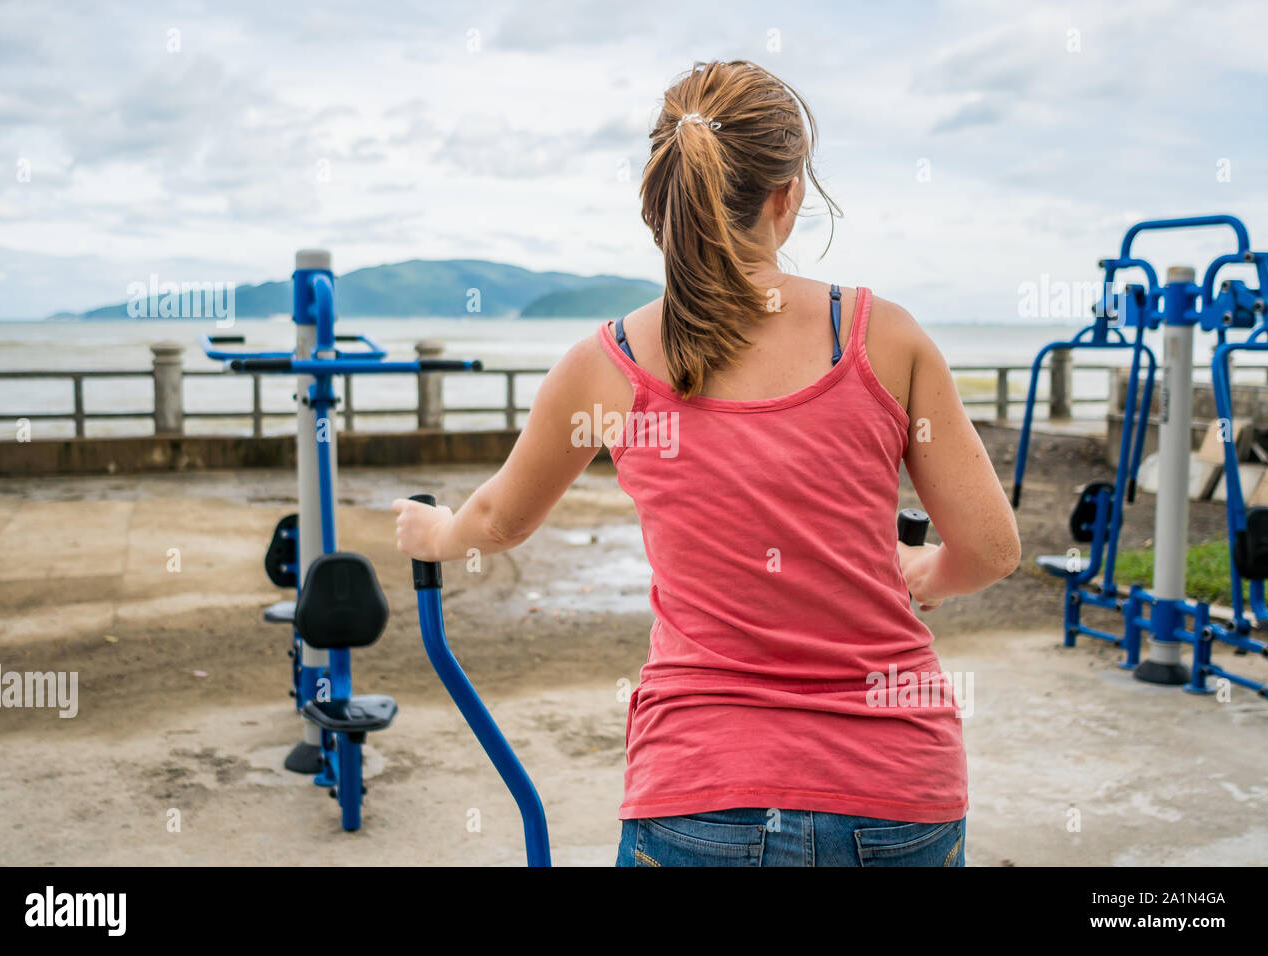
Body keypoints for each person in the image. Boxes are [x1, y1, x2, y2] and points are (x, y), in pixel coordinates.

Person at [394, 59, 1020, 867]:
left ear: (663, 203)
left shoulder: (607, 364)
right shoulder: (882, 337)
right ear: (786, 197)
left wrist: (436, 532)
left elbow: (498, 521)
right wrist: (921, 571)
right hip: (896, 793)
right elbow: (992, 551)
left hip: (701, 795)